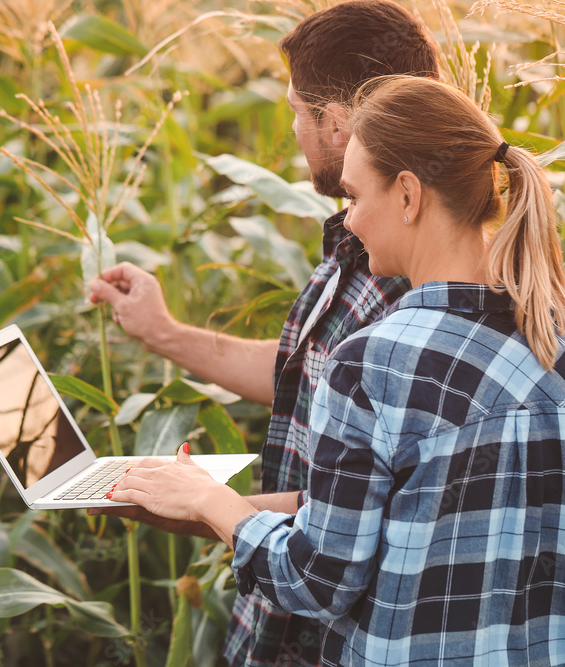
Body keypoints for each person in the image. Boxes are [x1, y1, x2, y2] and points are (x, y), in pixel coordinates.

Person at [109, 75, 565, 666]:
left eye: (355, 195)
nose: (351, 220)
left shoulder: (373, 363)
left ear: (409, 196)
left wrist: (211, 501)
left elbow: (316, 580)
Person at [89, 3, 440, 663]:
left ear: (336, 125)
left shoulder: (410, 279)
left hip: (329, 629)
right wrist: (163, 333)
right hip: (281, 607)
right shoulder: (358, 241)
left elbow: (374, 506)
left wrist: (205, 505)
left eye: (297, 113)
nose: (292, 130)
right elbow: (304, 378)